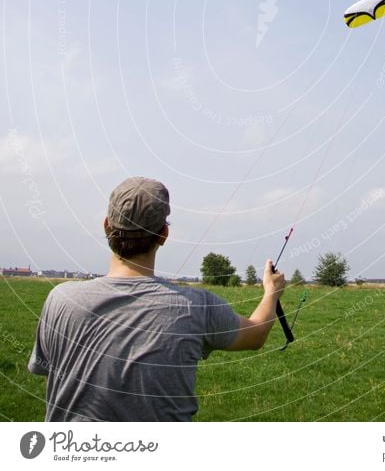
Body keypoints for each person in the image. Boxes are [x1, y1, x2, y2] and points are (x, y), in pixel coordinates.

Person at [28, 176, 286, 422]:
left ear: (107, 225)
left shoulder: (59, 301)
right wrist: (271, 291)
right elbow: (256, 334)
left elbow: (47, 373)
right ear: (163, 234)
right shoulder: (196, 306)